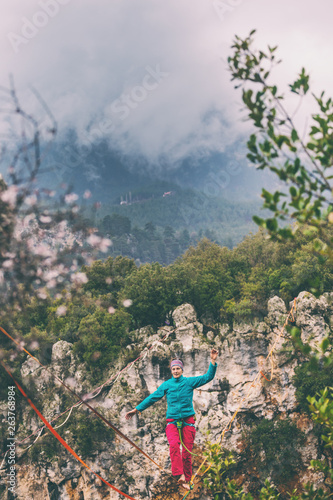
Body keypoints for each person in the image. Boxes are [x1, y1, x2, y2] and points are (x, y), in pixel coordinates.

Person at [125, 348, 218, 490]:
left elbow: (207, 377)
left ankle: (187, 479)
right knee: (174, 445)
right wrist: (137, 409)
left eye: (178, 369)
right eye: (173, 369)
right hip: (172, 422)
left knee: (186, 454)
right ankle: (179, 475)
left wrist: (212, 360)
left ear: (182, 370)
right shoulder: (167, 385)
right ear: (171, 371)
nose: (175, 371)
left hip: (188, 421)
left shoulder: (189, 382)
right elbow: (153, 398)